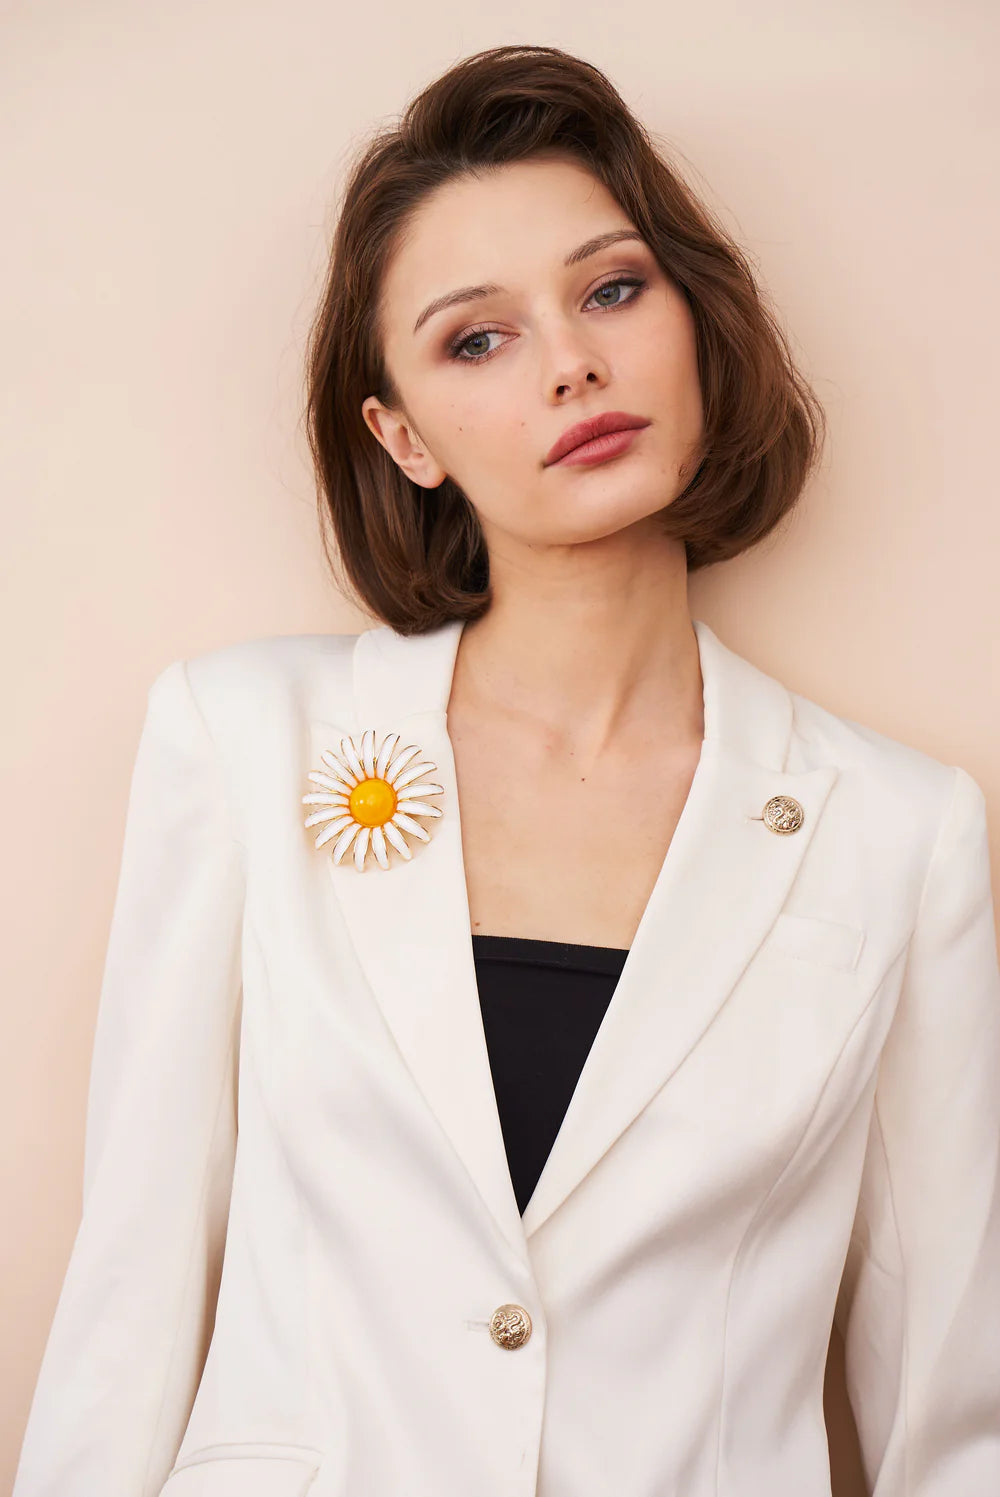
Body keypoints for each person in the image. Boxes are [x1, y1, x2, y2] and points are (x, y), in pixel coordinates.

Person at [13, 43, 1000, 1497]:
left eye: (612, 289)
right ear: (401, 435)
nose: (572, 363)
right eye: (476, 338)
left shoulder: (901, 835)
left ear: (693, 322)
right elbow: (130, 1293)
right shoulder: (241, 741)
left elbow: (953, 1410)